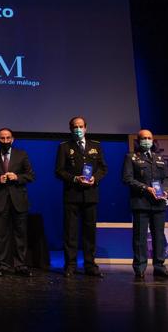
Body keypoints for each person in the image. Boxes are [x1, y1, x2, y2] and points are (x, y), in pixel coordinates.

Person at [55, 116, 107, 278]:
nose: (78, 129)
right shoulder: (64, 147)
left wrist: (95, 178)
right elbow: (59, 171)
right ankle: (70, 265)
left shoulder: (96, 146)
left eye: (80, 126)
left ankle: (90, 265)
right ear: (71, 129)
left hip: (91, 195)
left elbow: (103, 168)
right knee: (70, 232)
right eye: (74, 127)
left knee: (89, 232)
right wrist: (74, 178)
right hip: (72, 195)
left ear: (86, 128)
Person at [122, 129, 168, 279]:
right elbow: (127, 179)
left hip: (158, 204)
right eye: (143, 138)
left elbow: (167, 178)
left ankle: (159, 267)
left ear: (153, 140)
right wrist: (146, 188)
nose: (146, 140)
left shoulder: (159, 158)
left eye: (149, 138)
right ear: (138, 141)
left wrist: (165, 190)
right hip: (141, 203)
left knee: (159, 236)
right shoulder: (131, 157)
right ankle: (140, 268)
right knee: (140, 237)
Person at [0, 128, 35, 277]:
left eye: (8, 138)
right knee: (1, 236)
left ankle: (20, 265)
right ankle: (4, 266)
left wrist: (17, 177)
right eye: (2, 138)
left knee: (20, 234)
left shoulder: (22, 154)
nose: (5, 141)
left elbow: (31, 176)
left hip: (19, 200)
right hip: (0, 201)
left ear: (13, 139)